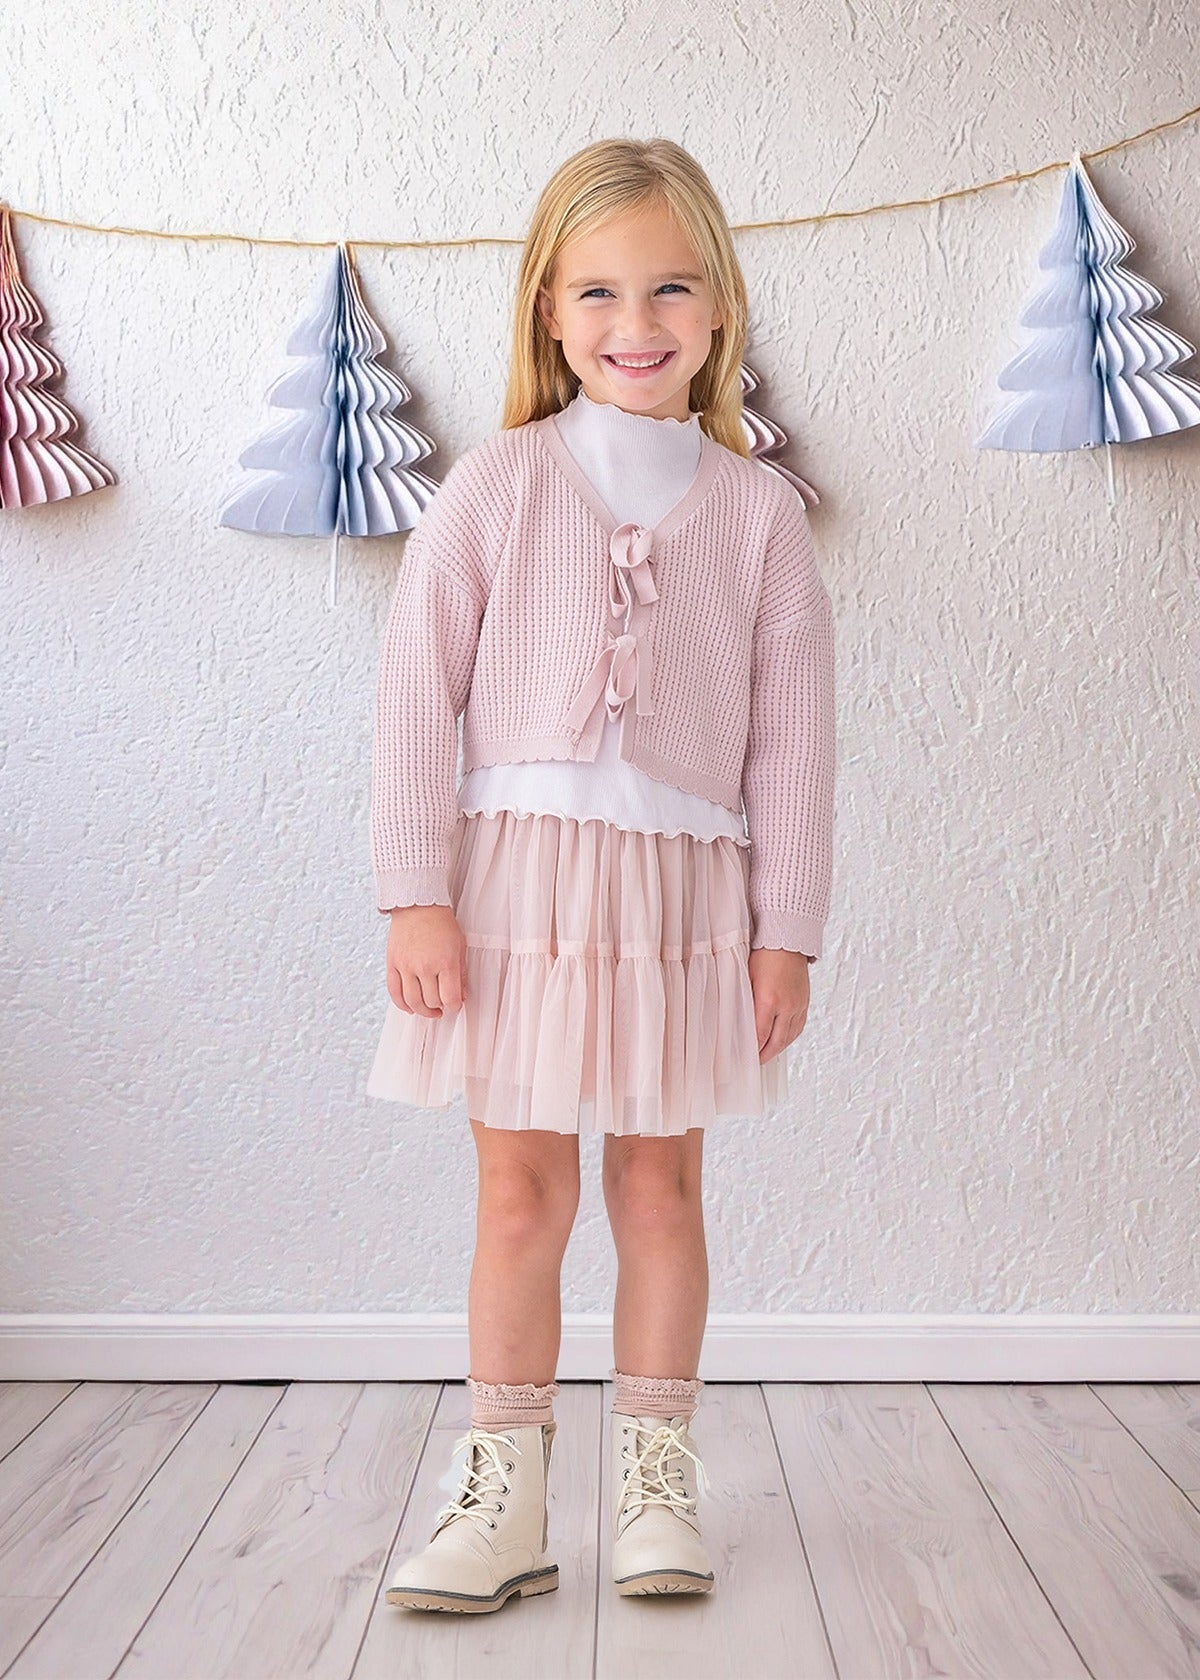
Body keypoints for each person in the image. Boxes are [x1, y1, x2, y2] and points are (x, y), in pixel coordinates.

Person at [368, 136, 836, 1614]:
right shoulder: (496, 484)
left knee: (662, 1185)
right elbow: (409, 687)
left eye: (671, 288)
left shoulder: (759, 513)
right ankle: (503, 1490)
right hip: (511, 890)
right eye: (601, 293)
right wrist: (413, 889)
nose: (638, 322)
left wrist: (789, 933)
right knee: (518, 1191)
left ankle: (654, 1477)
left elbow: (797, 735)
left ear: (718, 310)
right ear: (550, 313)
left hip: (686, 898)